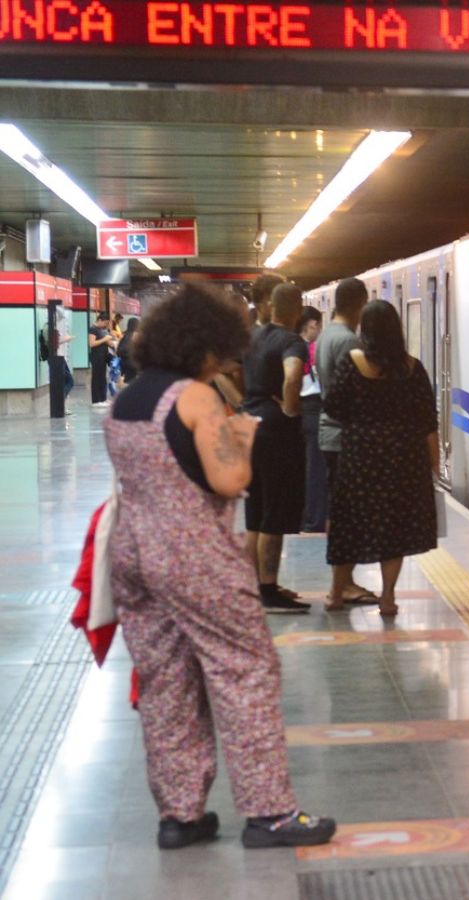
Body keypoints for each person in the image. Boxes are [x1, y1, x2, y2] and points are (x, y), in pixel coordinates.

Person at [106, 284, 335, 850]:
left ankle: (179, 815)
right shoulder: (195, 399)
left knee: (167, 682)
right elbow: (231, 480)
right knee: (246, 671)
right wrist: (239, 433)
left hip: (134, 553)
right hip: (194, 555)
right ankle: (270, 812)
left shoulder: (128, 399)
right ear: (205, 346)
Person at [324, 300, 440, 617]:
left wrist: (359, 419)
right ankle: (388, 598)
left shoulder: (351, 362)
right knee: (394, 527)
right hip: (403, 457)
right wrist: (434, 464)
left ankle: (336, 593)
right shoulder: (412, 368)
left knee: (348, 522)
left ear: (366, 329)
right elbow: (428, 420)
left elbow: (332, 406)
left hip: (360, 455)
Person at [242, 283, 310, 613]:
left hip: (249, 425)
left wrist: (246, 403)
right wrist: (290, 408)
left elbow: (228, 372)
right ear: (297, 309)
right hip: (275, 433)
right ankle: (268, 591)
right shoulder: (292, 341)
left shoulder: (254, 337)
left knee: (255, 513)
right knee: (275, 513)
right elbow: (294, 374)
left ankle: (257, 586)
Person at [317, 279, 379, 605]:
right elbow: (351, 395)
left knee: (338, 511)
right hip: (343, 436)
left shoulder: (327, 334)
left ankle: (341, 581)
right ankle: (345, 583)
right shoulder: (348, 342)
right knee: (349, 515)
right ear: (359, 304)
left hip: (330, 434)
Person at [297, 307, 328, 533]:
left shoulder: (292, 347)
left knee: (304, 468)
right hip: (315, 408)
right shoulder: (316, 348)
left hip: (297, 410)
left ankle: (304, 516)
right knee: (316, 470)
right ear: (312, 324)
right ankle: (315, 520)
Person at [89, 313, 115, 407]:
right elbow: (92, 343)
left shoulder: (102, 329)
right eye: (105, 322)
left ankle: (103, 398)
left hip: (103, 356)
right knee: (96, 377)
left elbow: (108, 342)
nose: (105, 325)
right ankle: (96, 400)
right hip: (96, 356)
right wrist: (104, 339)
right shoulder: (93, 329)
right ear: (99, 320)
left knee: (102, 378)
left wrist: (111, 342)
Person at [52, 304, 75, 410]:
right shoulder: (50, 327)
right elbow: (53, 343)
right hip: (56, 359)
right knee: (69, 381)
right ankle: (60, 402)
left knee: (67, 381)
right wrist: (66, 339)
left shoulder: (53, 327)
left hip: (60, 357)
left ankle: (61, 403)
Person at [117, 316, 140, 386]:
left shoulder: (125, 334)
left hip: (124, 363)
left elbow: (119, 350)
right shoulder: (135, 335)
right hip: (132, 364)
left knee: (127, 382)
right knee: (132, 383)